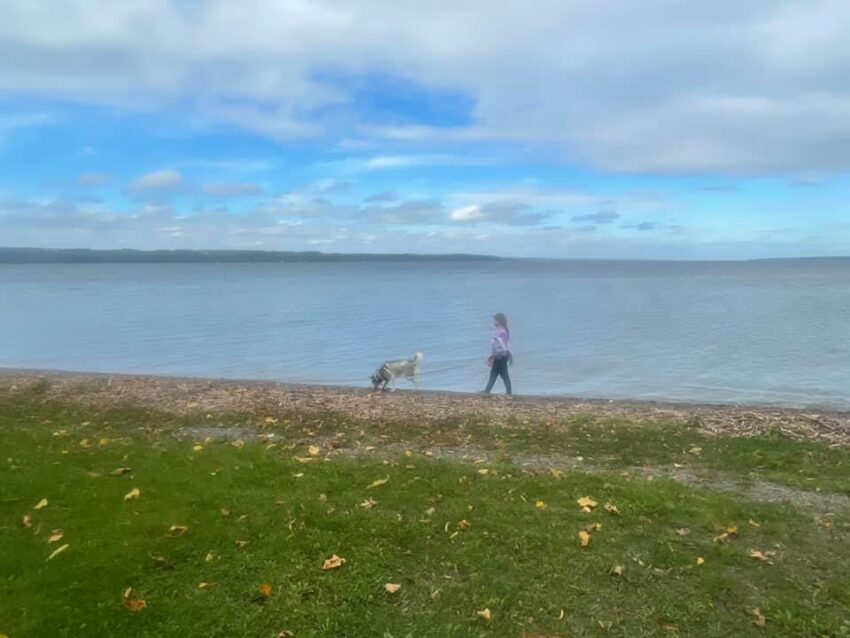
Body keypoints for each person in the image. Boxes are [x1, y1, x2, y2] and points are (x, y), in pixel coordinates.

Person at [484, 312, 512, 395]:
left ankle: (487, 392)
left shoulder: (502, 332)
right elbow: (498, 346)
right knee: (500, 375)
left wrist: (496, 355)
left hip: (501, 356)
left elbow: (502, 346)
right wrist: (492, 356)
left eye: (495, 320)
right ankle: (487, 391)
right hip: (500, 355)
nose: (493, 322)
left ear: (499, 321)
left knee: (499, 375)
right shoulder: (501, 331)